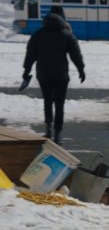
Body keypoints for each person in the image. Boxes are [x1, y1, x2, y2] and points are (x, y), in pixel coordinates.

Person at [22, 11, 85, 146]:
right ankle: (58, 134)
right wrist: (81, 69)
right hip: (61, 74)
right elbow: (76, 55)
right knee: (59, 104)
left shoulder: (38, 34)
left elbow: (30, 55)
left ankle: (48, 130)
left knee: (47, 101)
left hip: (43, 74)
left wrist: (26, 72)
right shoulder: (67, 35)